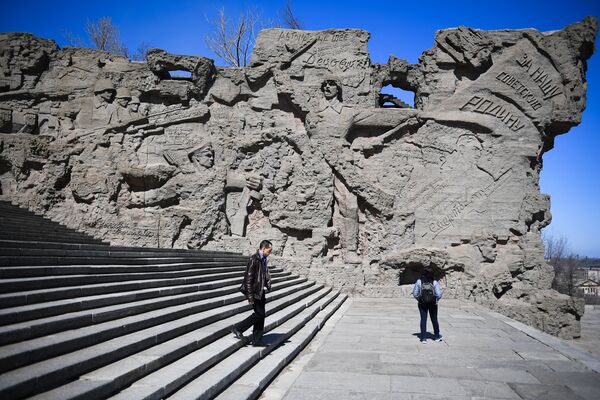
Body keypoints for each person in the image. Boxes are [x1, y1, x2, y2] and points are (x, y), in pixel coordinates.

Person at [232, 240, 273, 346]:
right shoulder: (254, 259)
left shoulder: (263, 259)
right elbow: (248, 279)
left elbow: (263, 275)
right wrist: (250, 296)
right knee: (259, 314)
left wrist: (267, 284)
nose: (270, 252)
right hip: (254, 292)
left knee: (261, 315)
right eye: (269, 250)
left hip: (260, 291)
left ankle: (257, 339)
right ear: (263, 248)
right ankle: (238, 328)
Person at [412, 265, 443, 343]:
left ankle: (423, 338)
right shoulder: (434, 282)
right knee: (434, 319)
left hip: (422, 303)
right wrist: (436, 300)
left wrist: (419, 299)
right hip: (433, 303)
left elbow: (415, 293)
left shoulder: (419, 281)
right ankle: (436, 336)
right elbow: (439, 294)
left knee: (423, 319)